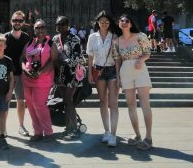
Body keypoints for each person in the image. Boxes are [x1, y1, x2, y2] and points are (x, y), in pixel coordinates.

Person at [116, 14, 153, 150]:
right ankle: (137, 135)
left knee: (145, 104)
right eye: (122, 21)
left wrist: (140, 60)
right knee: (131, 105)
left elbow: (147, 52)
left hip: (140, 69)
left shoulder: (139, 36)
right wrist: (118, 77)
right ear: (119, 23)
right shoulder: (117, 41)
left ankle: (148, 138)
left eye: (127, 21)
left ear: (131, 24)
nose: (124, 22)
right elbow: (118, 60)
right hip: (125, 70)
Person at [86, 11, 121, 147]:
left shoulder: (114, 37)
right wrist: (89, 73)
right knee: (102, 102)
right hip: (99, 71)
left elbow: (117, 58)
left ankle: (113, 134)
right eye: (101, 21)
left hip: (112, 70)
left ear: (110, 23)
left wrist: (118, 75)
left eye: (107, 21)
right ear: (97, 23)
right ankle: (106, 131)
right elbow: (90, 57)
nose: (104, 23)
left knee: (113, 103)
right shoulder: (92, 37)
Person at [21, 19, 58, 142]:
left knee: (39, 105)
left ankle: (48, 132)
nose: (40, 30)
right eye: (37, 28)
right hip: (28, 78)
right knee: (31, 106)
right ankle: (37, 132)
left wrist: (40, 72)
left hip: (43, 78)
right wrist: (25, 69)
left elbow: (53, 61)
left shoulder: (51, 43)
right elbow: (22, 58)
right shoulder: (30, 42)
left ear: (46, 29)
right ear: (34, 29)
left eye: (42, 27)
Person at [53, 16, 85, 140]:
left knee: (68, 100)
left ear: (67, 25)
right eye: (57, 24)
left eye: (61, 24)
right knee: (65, 101)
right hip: (60, 74)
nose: (59, 27)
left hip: (72, 74)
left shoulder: (74, 39)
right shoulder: (55, 39)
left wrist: (65, 62)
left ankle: (74, 129)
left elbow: (78, 57)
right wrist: (57, 63)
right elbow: (53, 56)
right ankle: (68, 127)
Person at [4, 10, 31, 137]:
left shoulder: (26, 38)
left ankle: (21, 126)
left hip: (20, 74)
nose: (17, 22)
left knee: (21, 101)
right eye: (15, 20)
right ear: (11, 21)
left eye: (20, 20)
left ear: (23, 22)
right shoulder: (5, 37)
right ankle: (3, 128)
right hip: (7, 74)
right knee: (6, 101)